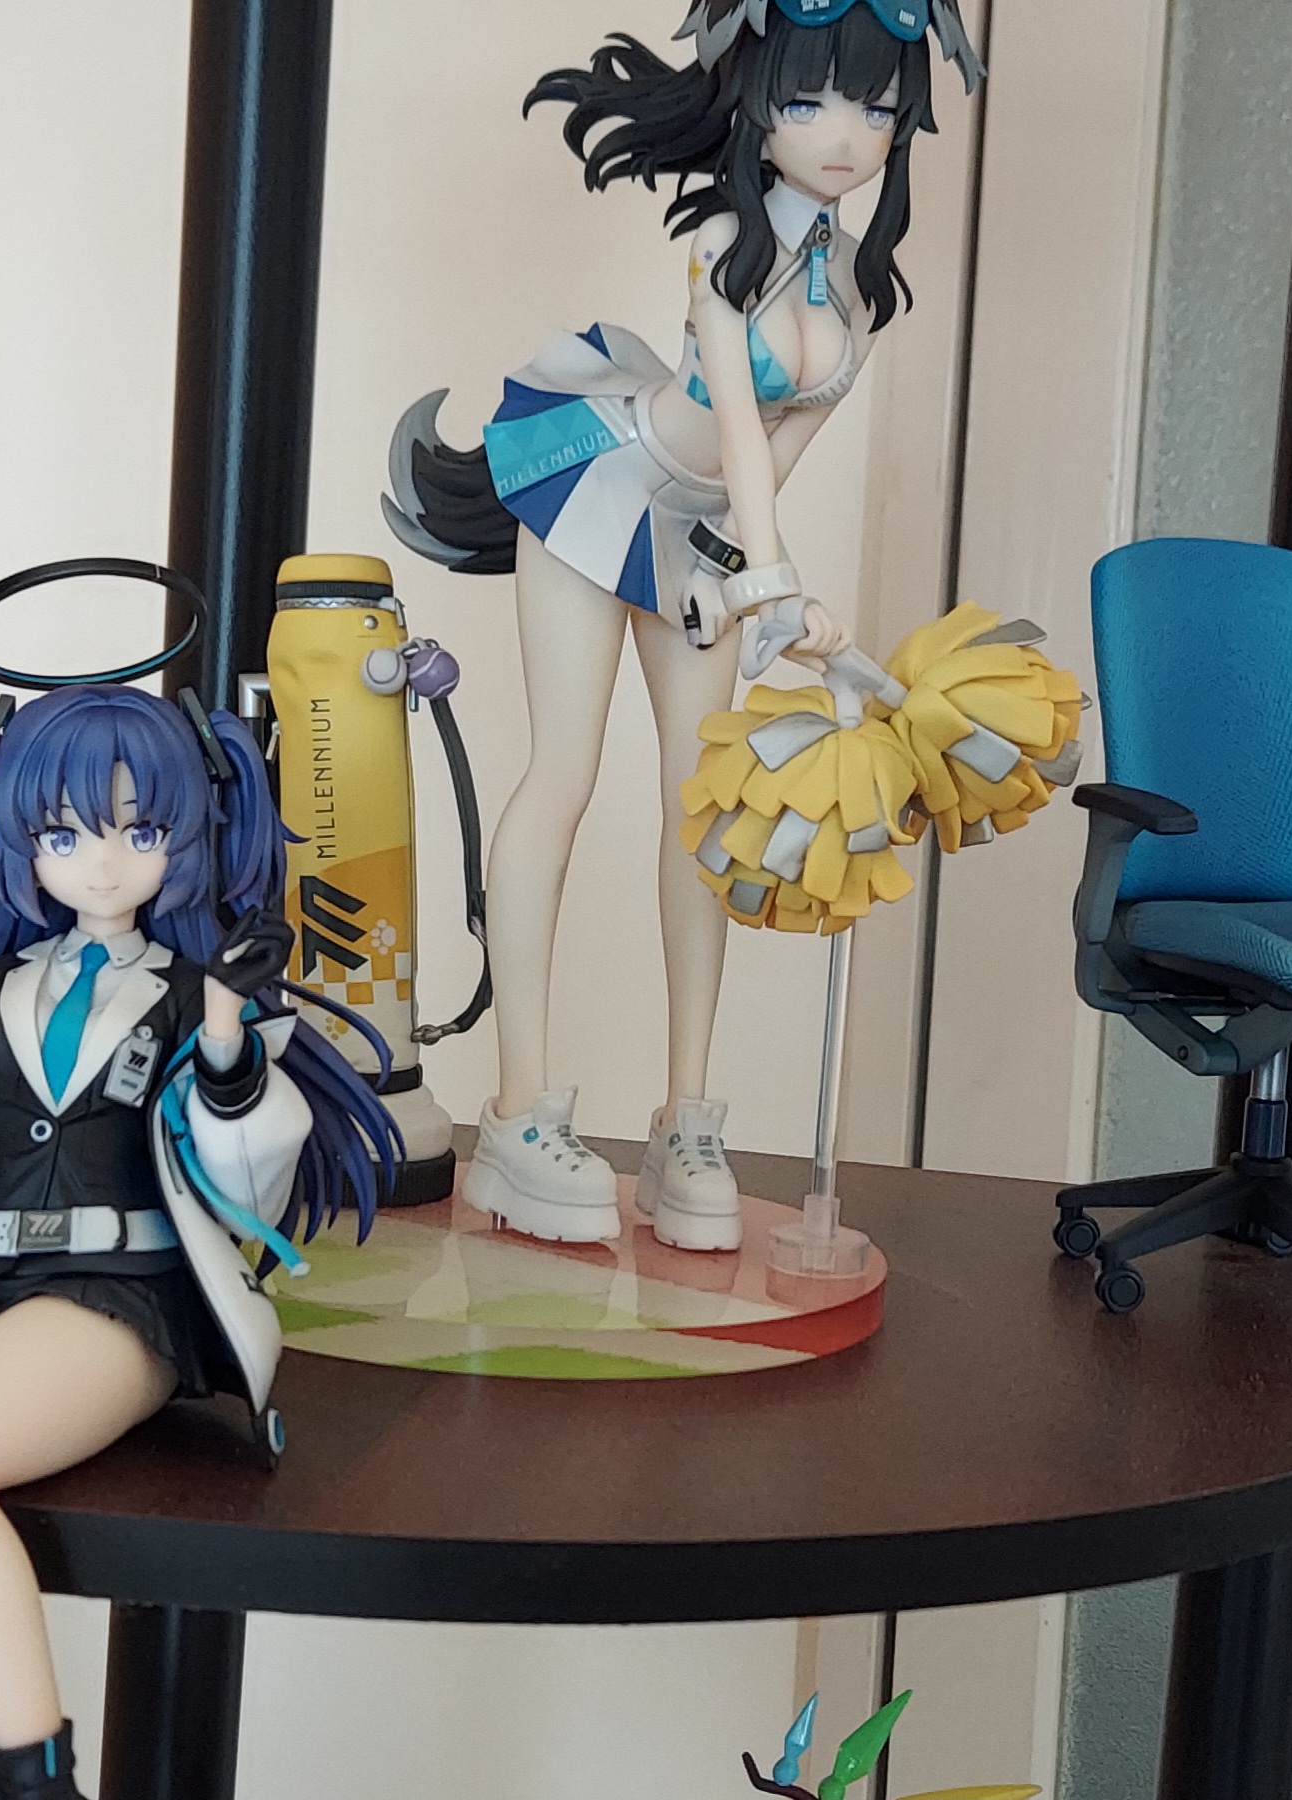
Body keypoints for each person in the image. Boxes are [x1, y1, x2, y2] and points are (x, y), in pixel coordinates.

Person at [382, 0, 983, 1252]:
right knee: (562, 774)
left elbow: (777, 461)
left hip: (703, 537)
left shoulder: (859, 297)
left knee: (699, 807)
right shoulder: (724, 243)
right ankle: (518, 1112)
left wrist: (762, 580)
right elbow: (740, 440)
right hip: (602, 482)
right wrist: (773, 577)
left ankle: (685, 1122)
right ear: (756, 100)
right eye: (809, 100)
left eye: (875, 107)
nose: (844, 135)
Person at [0, 684, 392, 1800]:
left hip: (112, 1287)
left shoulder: (192, 997)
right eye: (64, 834)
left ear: (190, 833)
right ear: (21, 841)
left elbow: (248, 1174)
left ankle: (43, 1784)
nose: (100, 864)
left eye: (140, 832)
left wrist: (227, 1036)